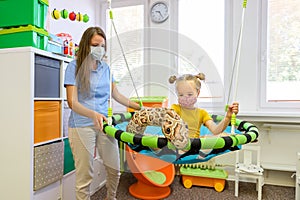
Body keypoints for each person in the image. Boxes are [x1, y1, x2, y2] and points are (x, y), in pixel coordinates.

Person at [64, 26, 141, 200]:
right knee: (85, 177)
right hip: (81, 126)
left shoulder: (106, 69)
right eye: (95, 44)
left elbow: (117, 95)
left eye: (102, 46)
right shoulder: (74, 67)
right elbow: (72, 102)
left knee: (115, 170)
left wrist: (139, 107)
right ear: (85, 45)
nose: (99, 49)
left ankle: (111, 198)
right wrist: (93, 114)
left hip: (105, 125)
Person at [169, 73, 239, 138]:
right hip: (177, 142)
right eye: (181, 95)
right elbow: (169, 127)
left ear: (198, 93)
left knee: (223, 135)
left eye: (190, 94)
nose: (185, 98)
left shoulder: (202, 113)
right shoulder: (175, 108)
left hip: (195, 144)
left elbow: (215, 131)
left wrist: (227, 117)